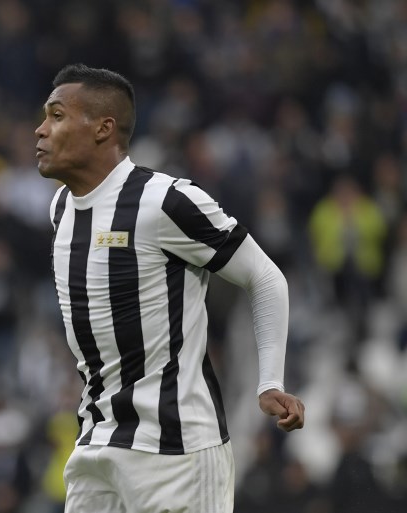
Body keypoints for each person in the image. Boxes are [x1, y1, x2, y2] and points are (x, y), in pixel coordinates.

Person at [35, 63, 305, 513]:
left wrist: (270, 381)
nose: (41, 129)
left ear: (103, 129)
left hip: (177, 451)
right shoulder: (61, 207)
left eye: (57, 116)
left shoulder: (165, 201)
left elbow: (264, 275)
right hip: (97, 443)